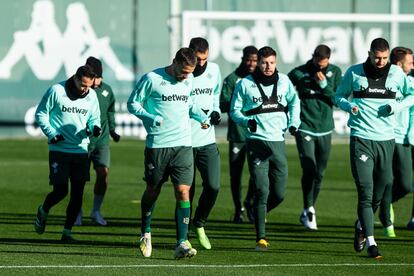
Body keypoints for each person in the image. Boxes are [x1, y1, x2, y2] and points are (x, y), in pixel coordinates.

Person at [127, 47, 210, 259]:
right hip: (158, 146)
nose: (185, 76)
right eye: (183, 72)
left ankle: (181, 242)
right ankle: (146, 231)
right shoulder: (152, 79)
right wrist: (149, 116)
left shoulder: (188, 80)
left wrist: (201, 116)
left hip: (183, 144)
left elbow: (188, 103)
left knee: (183, 191)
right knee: (153, 189)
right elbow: (133, 104)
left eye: (189, 73)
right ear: (174, 62)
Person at [335, 38, 414, 259]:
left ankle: (361, 224)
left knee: (379, 193)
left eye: (384, 58)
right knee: (365, 192)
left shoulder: (398, 75)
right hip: (361, 138)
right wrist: (349, 106)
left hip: (386, 140)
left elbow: (411, 95)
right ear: (369, 54)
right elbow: (338, 96)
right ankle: (371, 241)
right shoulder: (354, 72)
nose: (380, 62)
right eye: (376, 57)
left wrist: (396, 106)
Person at [230, 46, 301, 251]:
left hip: (278, 143)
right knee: (262, 190)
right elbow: (234, 111)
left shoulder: (285, 81)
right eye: (264, 62)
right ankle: (261, 236)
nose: (268, 66)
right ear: (257, 63)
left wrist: (294, 123)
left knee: (278, 194)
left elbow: (295, 103)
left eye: (271, 62)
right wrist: (246, 122)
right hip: (256, 142)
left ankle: (257, 211)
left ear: (276, 62)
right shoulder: (245, 84)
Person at [34, 65, 101, 242]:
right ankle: (44, 210)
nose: (85, 89)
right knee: (61, 190)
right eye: (83, 85)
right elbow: (41, 114)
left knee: (78, 193)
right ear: (76, 78)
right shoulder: (56, 90)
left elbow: (95, 117)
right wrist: (51, 133)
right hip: (59, 150)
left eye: (89, 86)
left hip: (80, 150)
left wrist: (95, 127)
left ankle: (67, 232)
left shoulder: (92, 96)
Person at [288, 45, 342, 230]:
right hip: (305, 127)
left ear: (328, 59)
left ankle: (308, 208)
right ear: (313, 58)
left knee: (319, 173)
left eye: (324, 62)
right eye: (318, 61)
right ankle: (309, 209)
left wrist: (324, 86)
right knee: (309, 168)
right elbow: (284, 92)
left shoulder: (335, 72)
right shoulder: (299, 73)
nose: (321, 65)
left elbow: (336, 99)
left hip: (325, 129)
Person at [74, 56, 121, 226]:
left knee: (103, 174)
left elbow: (110, 111)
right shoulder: (80, 91)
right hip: (82, 141)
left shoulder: (107, 91)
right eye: (93, 78)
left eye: (98, 77)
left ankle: (95, 211)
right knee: (79, 178)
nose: (95, 82)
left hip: (101, 140)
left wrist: (113, 129)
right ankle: (76, 211)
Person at [186, 37, 221, 250]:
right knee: (185, 191)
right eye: (198, 59)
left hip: (207, 141)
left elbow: (215, 94)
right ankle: (184, 234)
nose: (201, 63)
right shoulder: (181, 74)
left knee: (214, 186)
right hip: (184, 141)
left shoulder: (214, 70)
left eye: (205, 59)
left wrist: (216, 111)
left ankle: (199, 222)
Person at [220, 46, 258, 224]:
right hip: (237, 134)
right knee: (235, 175)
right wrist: (241, 103)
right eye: (249, 59)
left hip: (257, 134)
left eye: (255, 60)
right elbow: (222, 105)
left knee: (256, 172)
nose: (252, 63)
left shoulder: (259, 80)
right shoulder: (232, 80)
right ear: (243, 59)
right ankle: (238, 209)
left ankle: (249, 203)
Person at [379, 47, 414, 237]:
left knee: (405, 184)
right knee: (386, 180)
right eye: (410, 62)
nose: (412, 65)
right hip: (382, 136)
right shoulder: (382, 80)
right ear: (399, 65)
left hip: (402, 140)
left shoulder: (410, 83)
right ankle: (386, 222)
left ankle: (384, 203)